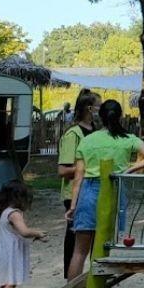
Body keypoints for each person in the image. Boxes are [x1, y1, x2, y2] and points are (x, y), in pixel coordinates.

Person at [66, 100, 144, 280]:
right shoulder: (128, 139)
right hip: (114, 190)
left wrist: (73, 205)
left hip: (88, 192)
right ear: (120, 117)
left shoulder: (87, 141)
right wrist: (129, 169)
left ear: (100, 117)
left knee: (79, 252)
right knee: (104, 246)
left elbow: (78, 177)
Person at [57, 89, 100, 277]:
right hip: (75, 194)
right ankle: (72, 281)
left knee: (96, 238)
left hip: (93, 191)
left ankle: (94, 279)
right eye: (98, 106)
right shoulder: (73, 134)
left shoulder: (97, 132)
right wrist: (88, 168)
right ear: (89, 108)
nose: (101, 110)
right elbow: (63, 170)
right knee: (75, 240)